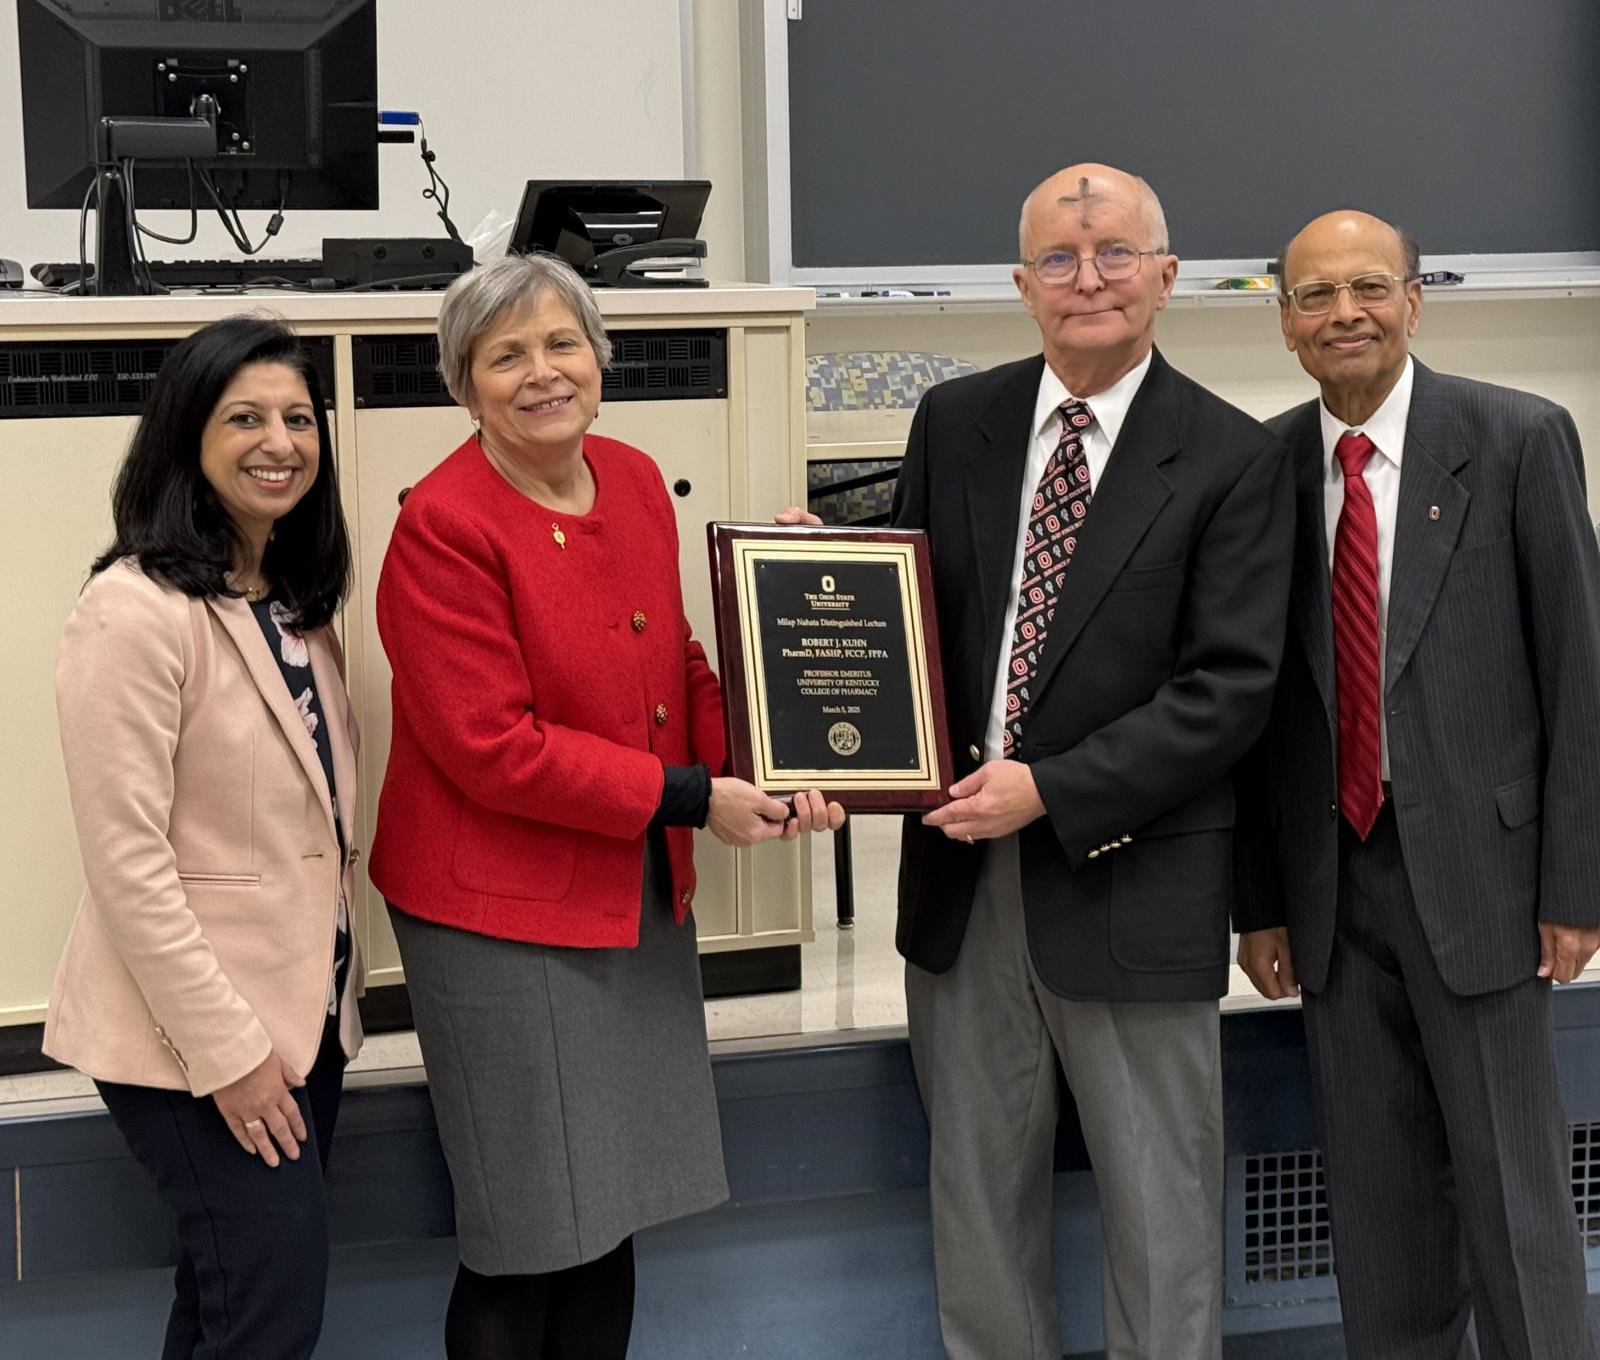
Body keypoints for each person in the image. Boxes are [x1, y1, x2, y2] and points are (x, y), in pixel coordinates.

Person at [783, 163, 1292, 1359]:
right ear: (1021, 285)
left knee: (1162, 1220)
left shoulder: (1231, 455)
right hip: (962, 876)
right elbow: (918, 613)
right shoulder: (954, 419)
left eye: (1116, 253)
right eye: (1058, 259)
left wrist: (1052, 787)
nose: (1088, 279)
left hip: (1128, 876)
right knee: (976, 1204)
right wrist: (821, 578)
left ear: (1167, 277)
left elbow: (1231, 689)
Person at [369, 252, 843, 1360]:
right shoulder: (442, 525)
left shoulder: (631, 478)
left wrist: (767, 763)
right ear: (463, 382)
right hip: (498, 918)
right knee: (524, 1236)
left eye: (562, 343)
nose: (542, 373)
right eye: (506, 355)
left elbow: (674, 665)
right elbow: (494, 751)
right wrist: (695, 799)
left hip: (623, 901)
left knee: (605, 1213)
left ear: (600, 357)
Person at [1235, 209, 1600, 1360]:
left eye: (1368, 287)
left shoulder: (1517, 438)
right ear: (1285, 323)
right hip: (1333, 895)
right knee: (1380, 1224)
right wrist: (1260, 900)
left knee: (1516, 1215)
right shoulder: (1268, 469)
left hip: (1488, 885)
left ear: (1413, 300)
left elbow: (1580, 675)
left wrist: (1576, 882)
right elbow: (1254, 708)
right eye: (1314, 295)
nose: (1344, 311)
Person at [46, 315, 362, 1360]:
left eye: (297, 418)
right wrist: (230, 1056)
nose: (280, 440)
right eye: (245, 418)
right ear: (187, 435)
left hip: (303, 1017)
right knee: (268, 1314)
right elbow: (128, 865)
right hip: (194, 1040)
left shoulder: (297, 606)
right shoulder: (132, 608)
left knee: (232, 1302)